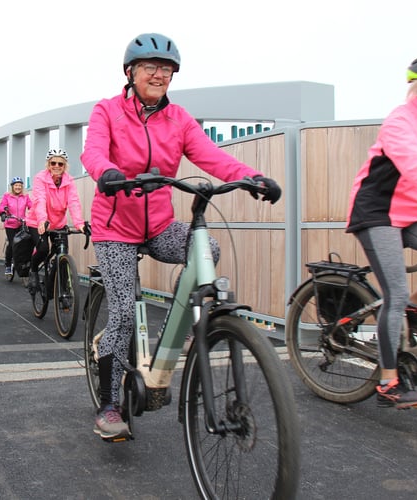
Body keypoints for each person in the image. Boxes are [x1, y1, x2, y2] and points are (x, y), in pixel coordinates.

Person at [80, 33, 281, 441]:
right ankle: (109, 404)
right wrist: (108, 174)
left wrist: (250, 178)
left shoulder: (179, 119)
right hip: (115, 228)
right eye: (150, 67)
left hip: (157, 225)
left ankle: (185, 329)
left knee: (206, 245)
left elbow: (211, 155)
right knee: (122, 309)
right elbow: (93, 151)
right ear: (130, 72)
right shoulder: (107, 111)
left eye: (166, 68)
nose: (159, 74)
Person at [346, 52, 417, 410]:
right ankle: (387, 382)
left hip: (411, 215)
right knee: (393, 294)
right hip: (376, 213)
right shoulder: (400, 122)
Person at [27, 148, 86, 293]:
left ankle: (62, 288)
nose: (57, 166)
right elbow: (40, 200)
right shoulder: (40, 178)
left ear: (65, 166)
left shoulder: (69, 181)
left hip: (58, 223)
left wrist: (79, 223)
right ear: (48, 164)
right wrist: (42, 220)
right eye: (53, 162)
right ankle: (33, 271)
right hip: (38, 222)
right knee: (43, 249)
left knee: (62, 253)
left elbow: (73, 202)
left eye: (60, 164)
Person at [0, 176, 32, 276]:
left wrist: (34, 214)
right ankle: (8, 265)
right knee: (13, 244)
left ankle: (22, 264)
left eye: (20, 185)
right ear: (12, 187)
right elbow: (2, 206)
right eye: (16, 185)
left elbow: (32, 206)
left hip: (22, 223)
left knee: (24, 244)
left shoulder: (26, 197)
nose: (18, 187)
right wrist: (3, 213)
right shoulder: (7, 196)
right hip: (10, 224)